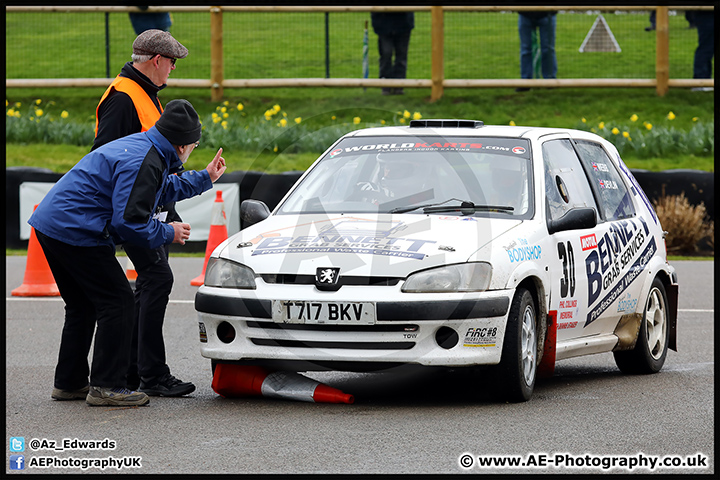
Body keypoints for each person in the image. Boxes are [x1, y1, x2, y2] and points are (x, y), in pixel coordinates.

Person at [29, 100, 226, 407]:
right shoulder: (147, 161)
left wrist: (204, 178)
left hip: (53, 223)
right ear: (184, 145)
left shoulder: (146, 146)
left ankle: (69, 383)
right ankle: (107, 386)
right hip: (76, 230)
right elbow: (130, 222)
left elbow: (159, 189)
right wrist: (169, 232)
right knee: (118, 303)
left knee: (82, 306)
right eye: (195, 145)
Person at [93, 29, 196, 397]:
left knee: (152, 283)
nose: (172, 69)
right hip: (134, 209)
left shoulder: (142, 92)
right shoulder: (124, 98)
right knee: (155, 279)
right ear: (156, 61)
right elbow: (108, 156)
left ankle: (138, 371)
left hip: (147, 203)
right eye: (171, 63)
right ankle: (149, 373)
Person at [371, 11, 414, 95]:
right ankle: (385, 85)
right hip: (383, 23)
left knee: (401, 55)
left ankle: (399, 85)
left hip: (403, 22)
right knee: (386, 54)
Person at [517, 10, 557, 92]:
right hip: (525, 14)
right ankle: (525, 82)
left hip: (548, 14)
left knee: (548, 49)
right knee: (526, 49)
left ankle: (550, 81)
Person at [691, 10, 714, 82]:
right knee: (706, 48)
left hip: (707, 14)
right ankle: (700, 80)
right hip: (707, 15)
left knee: (709, 48)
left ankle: (705, 78)